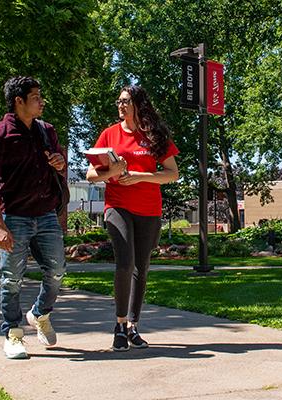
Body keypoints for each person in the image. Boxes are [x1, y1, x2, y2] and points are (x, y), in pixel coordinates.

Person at [87, 85, 180, 352]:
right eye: (118, 101)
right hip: (117, 205)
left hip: (149, 209)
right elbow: (91, 174)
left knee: (141, 267)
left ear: (138, 104)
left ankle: (132, 326)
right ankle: (118, 324)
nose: (120, 105)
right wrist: (112, 171)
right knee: (125, 262)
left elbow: (172, 173)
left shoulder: (154, 136)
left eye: (126, 101)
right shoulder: (109, 134)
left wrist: (140, 176)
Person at [0, 76, 69, 360]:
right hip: (15, 216)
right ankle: (13, 334)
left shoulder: (46, 131)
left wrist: (59, 162)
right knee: (11, 279)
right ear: (18, 101)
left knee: (56, 272)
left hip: (46, 215)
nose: (41, 101)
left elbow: (57, 167)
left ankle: (40, 314)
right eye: (35, 96)